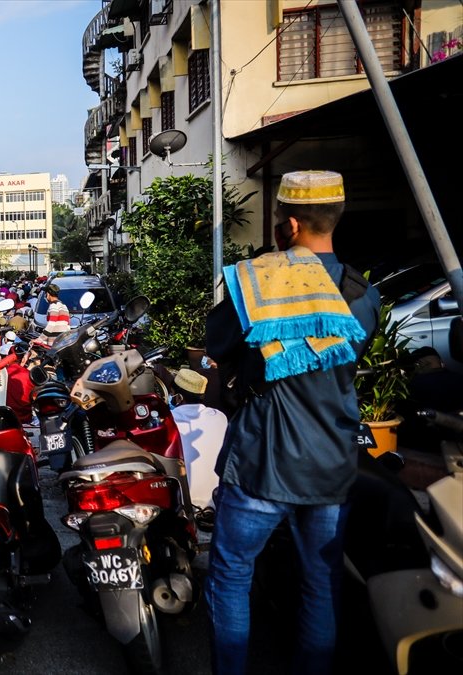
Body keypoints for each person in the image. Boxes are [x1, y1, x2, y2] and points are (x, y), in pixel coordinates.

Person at [204, 171, 380, 675]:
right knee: (320, 583)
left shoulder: (259, 284)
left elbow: (218, 346)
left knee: (232, 575)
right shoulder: (361, 293)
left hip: (264, 460)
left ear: (290, 224)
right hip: (332, 461)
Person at [169, 369, 226, 511]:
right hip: (219, 500)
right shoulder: (219, 416)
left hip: (187, 505)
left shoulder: (170, 420)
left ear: (178, 397)